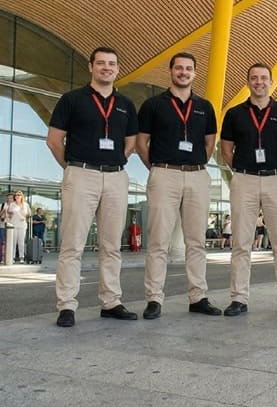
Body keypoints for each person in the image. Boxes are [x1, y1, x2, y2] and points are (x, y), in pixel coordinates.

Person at [46, 46, 139, 327]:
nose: (106, 68)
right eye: (101, 63)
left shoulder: (126, 104)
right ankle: (66, 306)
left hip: (115, 177)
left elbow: (131, 142)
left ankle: (111, 301)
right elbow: (54, 139)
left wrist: (113, 161)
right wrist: (72, 167)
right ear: (91, 67)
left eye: (111, 64)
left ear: (118, 69)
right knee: (72, 245)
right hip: (81, 173)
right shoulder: (72, 100)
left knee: (111, 245)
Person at [137, 51, 221, 319]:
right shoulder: (153, 105)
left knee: (196, 241)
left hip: (197, 175)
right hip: (164, 174)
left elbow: (210, 143)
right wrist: (158, 167)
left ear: (195, 73)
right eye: (179, 68)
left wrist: (194, 165)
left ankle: (198, 297)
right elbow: (141, 143)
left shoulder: (205, 106)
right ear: (170, 71)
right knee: (159, 241)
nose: (183, 72)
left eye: (189, 68)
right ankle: (154, 299)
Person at [220, 62, 277, 317]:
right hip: (244, 179)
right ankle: (238, 299)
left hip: (276, 179)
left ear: (271, 82)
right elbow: (226, 149)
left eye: (264, 78)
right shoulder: (235, 114)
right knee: (241, 243)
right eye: (254, 78)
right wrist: (243, 168)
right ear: (248, 82)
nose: (259, 82)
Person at [7, 190, 31, 263]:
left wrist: (25, 216)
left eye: (19, 195)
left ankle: (21, 257)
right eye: (16, 195)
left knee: (21, 242)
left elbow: (29, 214)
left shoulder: (26, 204)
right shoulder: (12, 204)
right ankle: (12, 257)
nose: (17, 196)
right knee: (13, 242)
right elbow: (9, 213)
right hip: (13, 225)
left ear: (22, 196)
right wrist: (11, 213)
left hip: (22, 225)